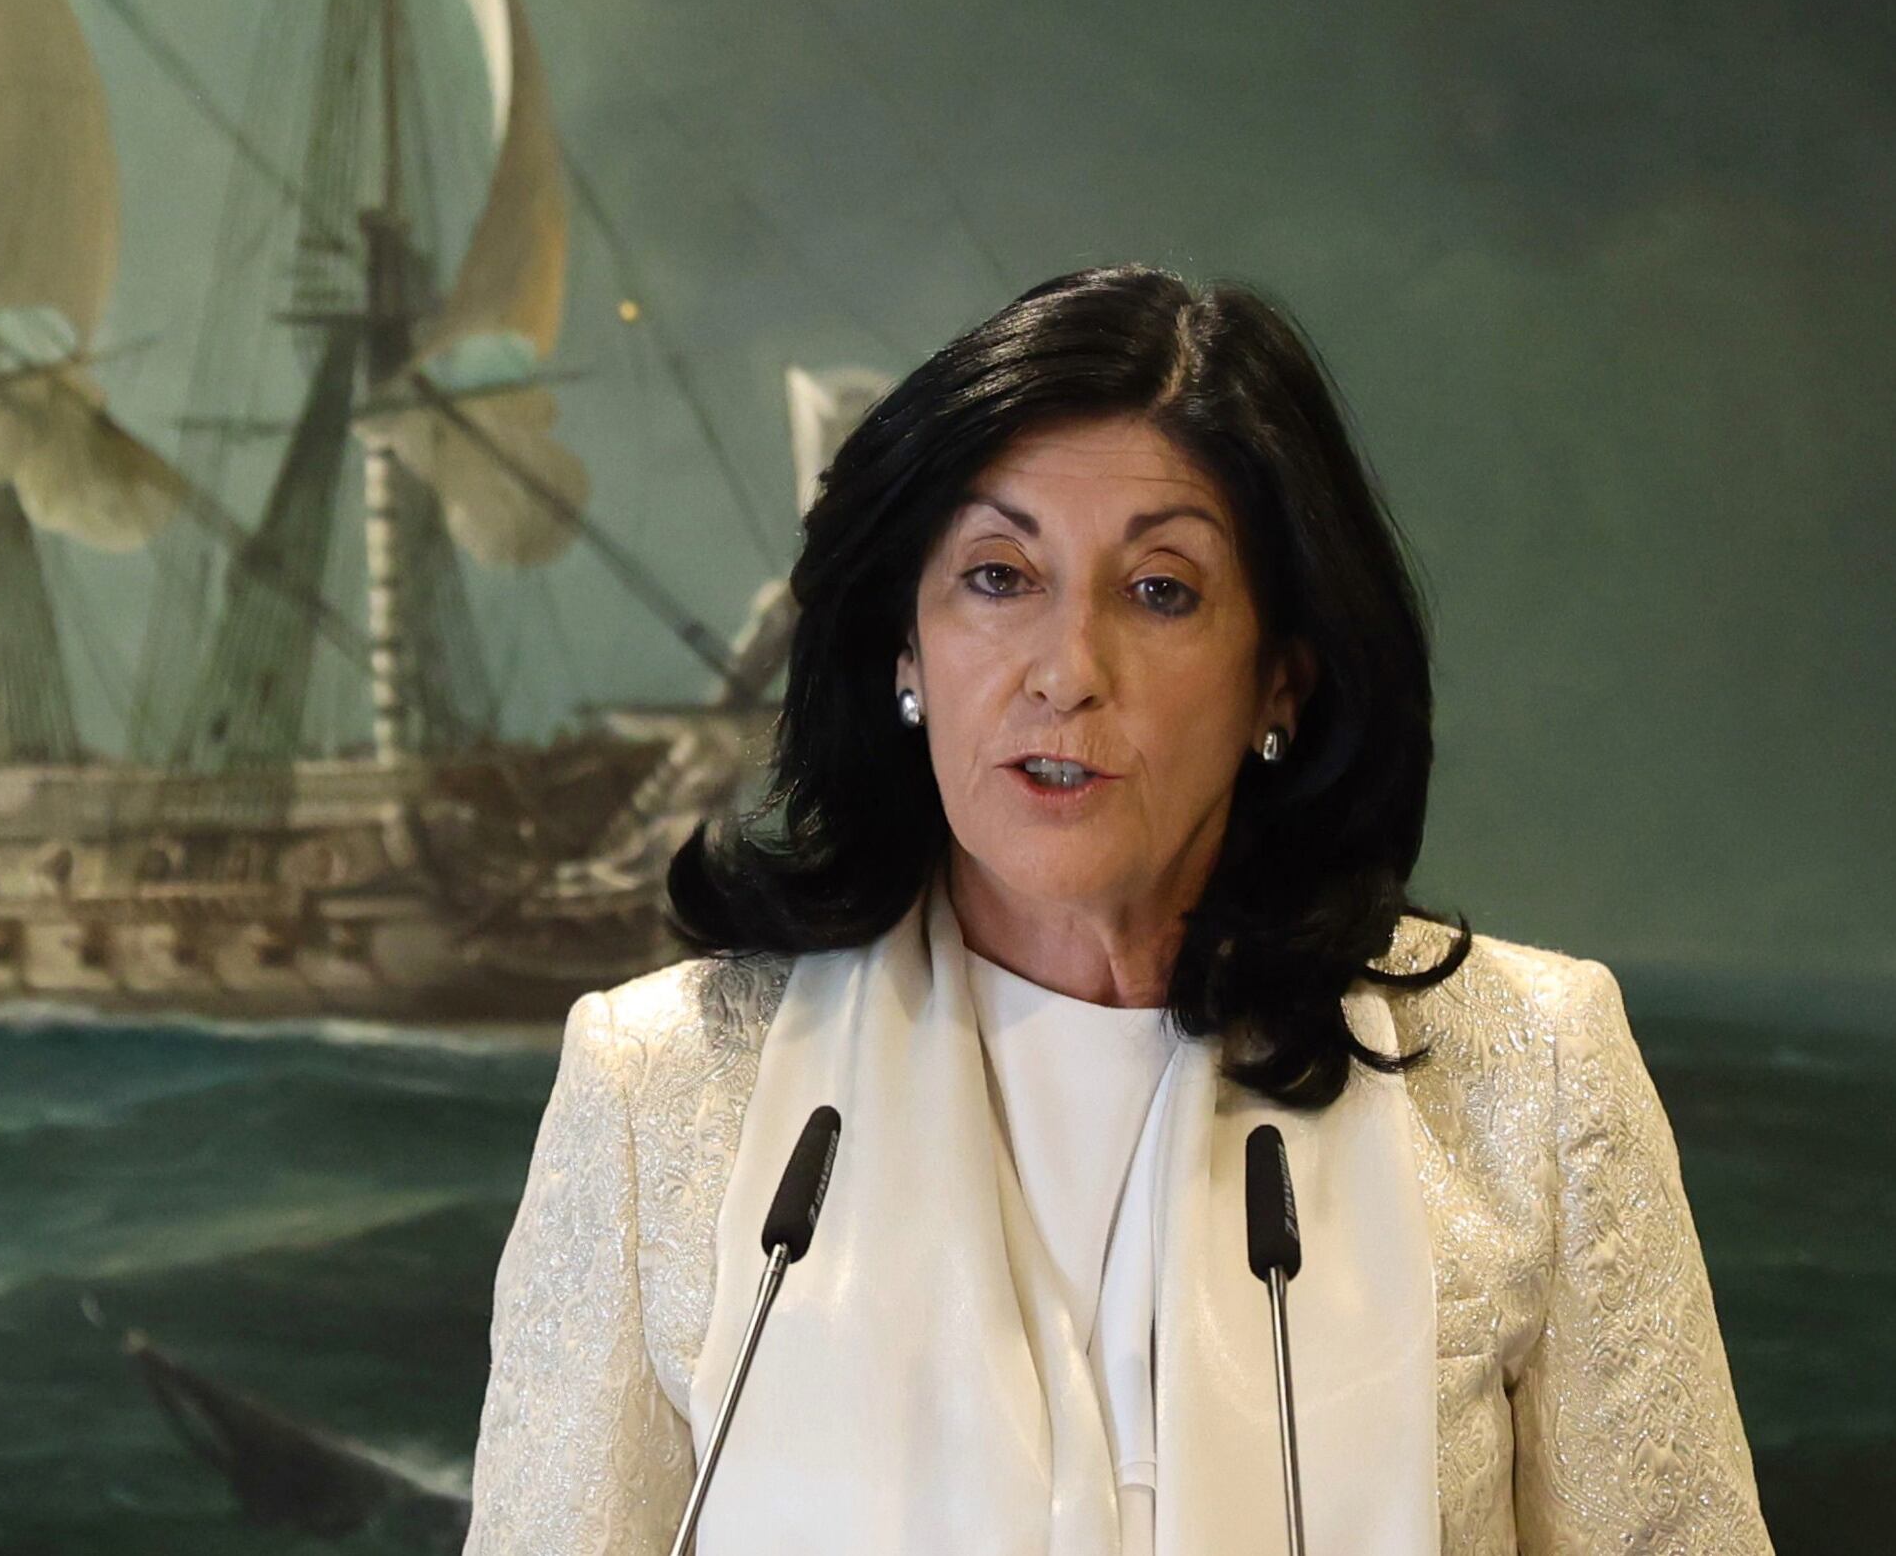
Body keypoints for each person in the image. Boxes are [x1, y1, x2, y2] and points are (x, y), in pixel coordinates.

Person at [462, 265, 1770, 1554]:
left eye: (1160, 591)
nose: (1067, 672)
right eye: (998, 576)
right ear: (906, 649)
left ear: (1282, 680)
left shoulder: (1531, 1071)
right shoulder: (663, 1090)